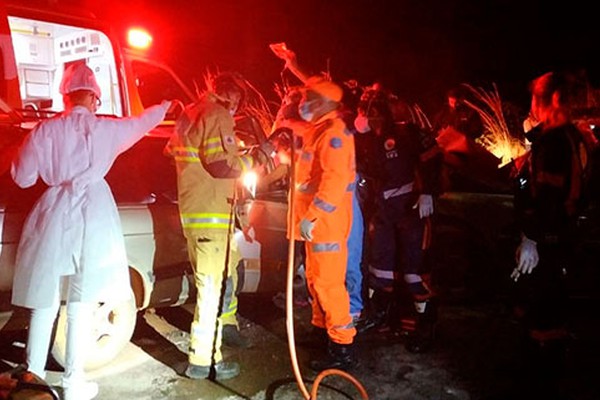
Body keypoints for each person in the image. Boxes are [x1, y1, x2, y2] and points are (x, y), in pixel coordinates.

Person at [10, 63, 170, 400]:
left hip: (53, 212)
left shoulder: (45, 130)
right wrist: (167, 108)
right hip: (95, 213)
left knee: (46, 298)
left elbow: (22, 177)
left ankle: (32, 377)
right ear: (95, 98)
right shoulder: (106, 130)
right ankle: (73, 382)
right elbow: (141, 123)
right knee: (82, 300)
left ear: (65, 96)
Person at [166, 71, 274, 380]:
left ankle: (221, 335)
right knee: (211, 290)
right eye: (238, 101)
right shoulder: (216, 115)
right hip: (211, 216)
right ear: (232, 96)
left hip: (199, 214)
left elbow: (177, 153)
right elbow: (221, 165)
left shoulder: (190, 114)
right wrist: (258, 157)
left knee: (223, 277)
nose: (237, 109)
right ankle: (205, 361)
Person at [270, 43, 365, 327]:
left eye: (309, 97)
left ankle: (342, 346)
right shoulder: (316, 131)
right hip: (314, 225)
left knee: (329, 284)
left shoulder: (334, 133)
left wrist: (312, 216)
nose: (303, 102)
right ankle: (322, 331)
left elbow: (333, 182)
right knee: (315, 280)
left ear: (325, 102)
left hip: (326, 222)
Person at [510, 71, 591, 397]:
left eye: (535, 99)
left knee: (541, 315)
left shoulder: (555, 141)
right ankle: (549, 372)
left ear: (550, 101)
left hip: (548, 242)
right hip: (561, 240)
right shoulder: (571, 136)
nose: (531, 105)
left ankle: (540, 382)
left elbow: (547, 198)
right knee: (551, 309)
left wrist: (531, 239)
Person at [356, 87, 442, 353]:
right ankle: (386, 318)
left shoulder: (407, 133)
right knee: (380, 268)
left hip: (411, 209)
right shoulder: (366, 142)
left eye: (368, 113)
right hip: (382, 212)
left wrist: (427, 192)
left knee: (414, 272)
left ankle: (425, 326)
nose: (364, 119)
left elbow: (434, 158)